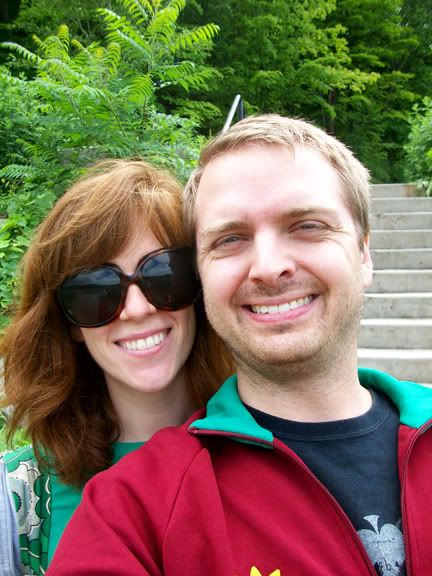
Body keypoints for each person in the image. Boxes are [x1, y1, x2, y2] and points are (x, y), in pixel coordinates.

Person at [48, 116, 432, 576]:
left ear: (364, 252)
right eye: (230, 239)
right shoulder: (129, 510)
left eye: (307, 225)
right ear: (202, 274)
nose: (268, 267)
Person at [0, 159, 232, 575]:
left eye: (164, 274)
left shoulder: (273, 454)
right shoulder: (15, 499)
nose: (137, 309)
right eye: (96, 291)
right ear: (69, 323)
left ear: (199, 289)